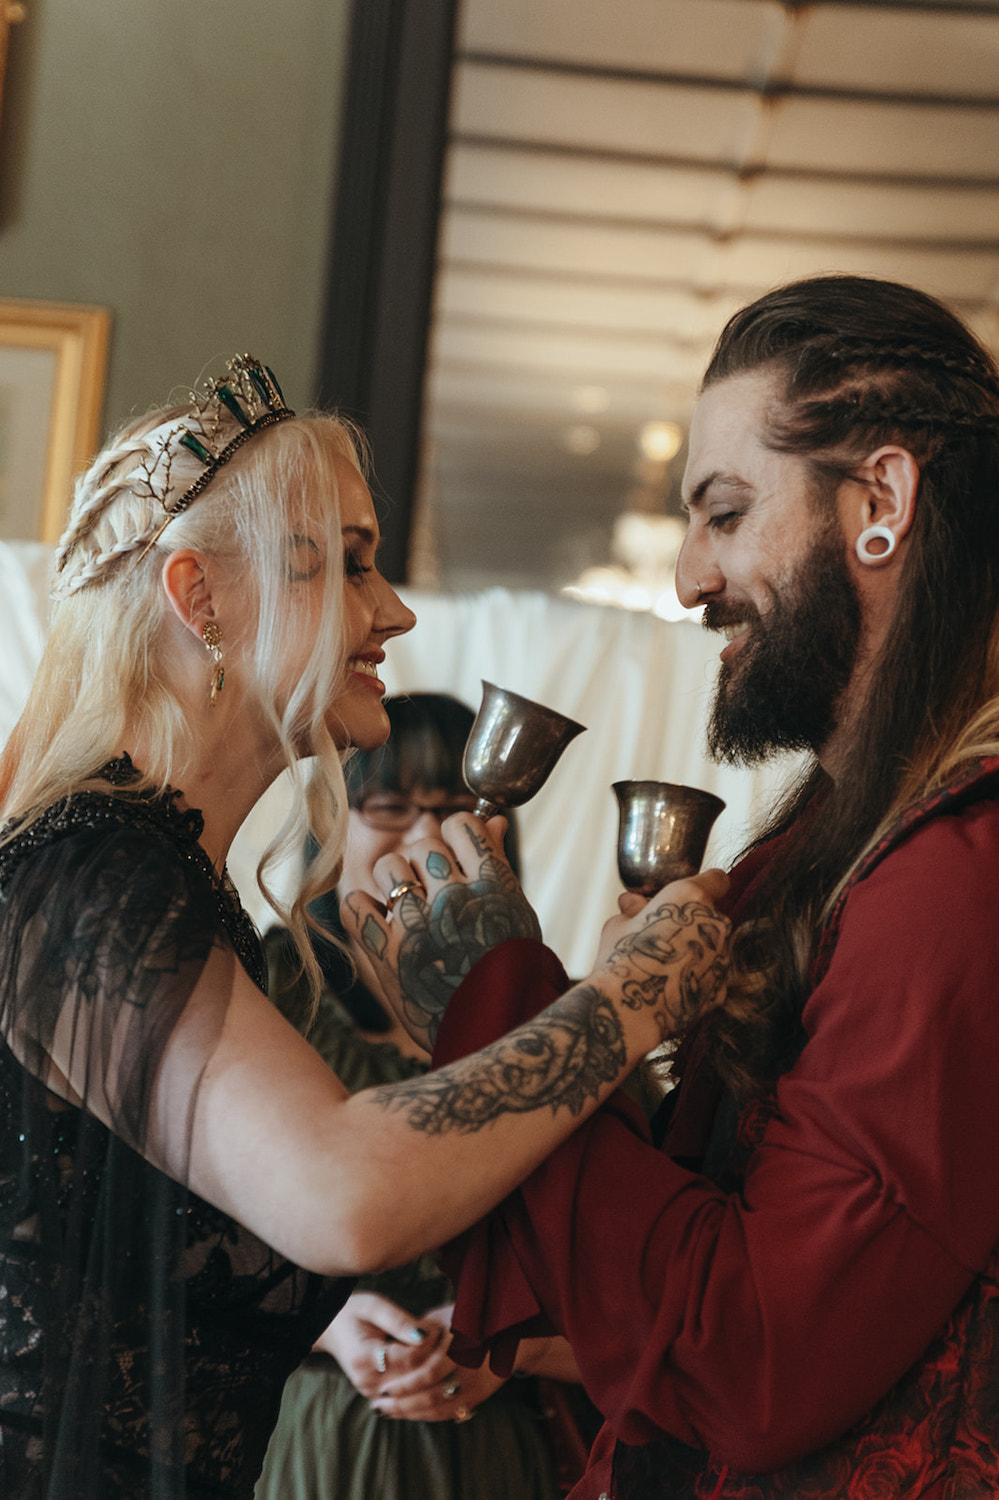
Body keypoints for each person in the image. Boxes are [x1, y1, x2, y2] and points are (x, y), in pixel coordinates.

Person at [0, 355, 731, 1500]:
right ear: (202, 600)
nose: (395, 610)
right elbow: (344, 1193)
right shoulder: (83, 872)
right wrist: (632, 994)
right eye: (348, 565)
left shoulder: (166, 887)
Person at [341, 276, 999, 1498]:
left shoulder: (960, 877)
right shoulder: (831, 847)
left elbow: (752, 1358)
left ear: (882, 503)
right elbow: (692, 1237)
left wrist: (494, 1004)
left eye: (729, 512)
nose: (691, 578)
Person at [257, 692, 596, 1500]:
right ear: (331, 830)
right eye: (391, 808)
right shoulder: (265, 992)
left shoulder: (564, 1015)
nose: (421, 839)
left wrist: (512, 1346)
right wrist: (326, 1323)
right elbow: (159, 1230)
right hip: (314, 1435)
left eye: (452, 811)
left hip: (502, 1448)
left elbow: (634, 1265)